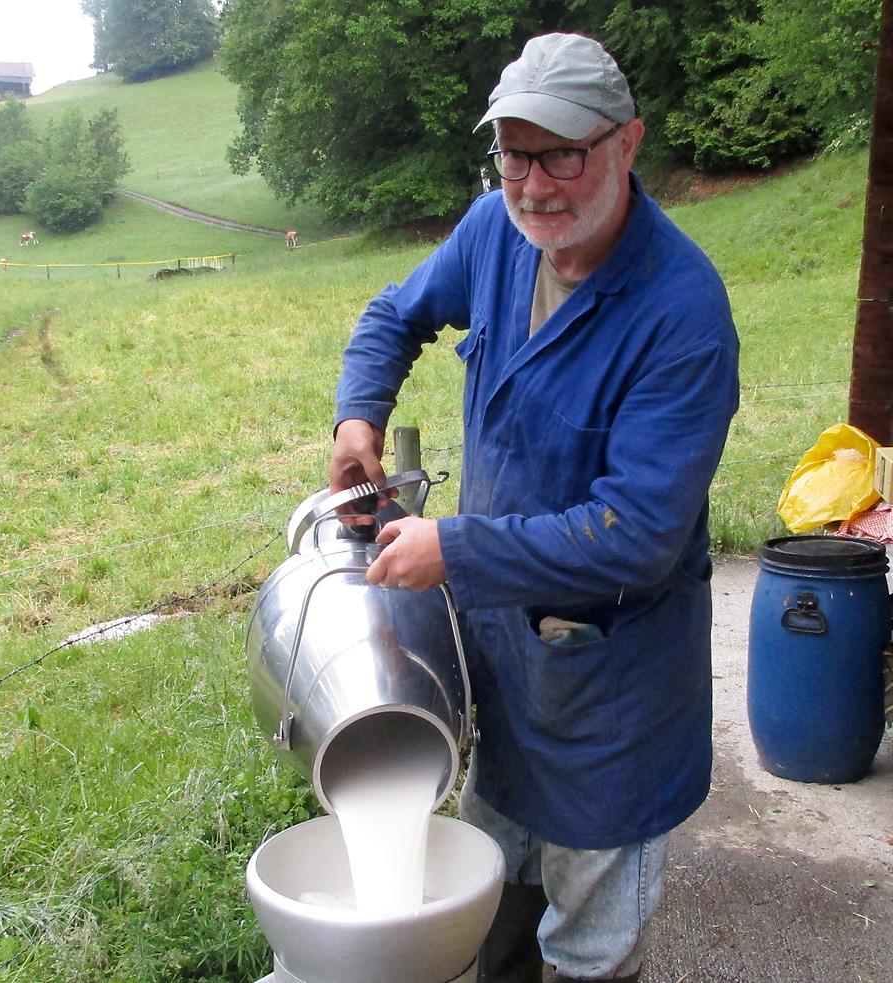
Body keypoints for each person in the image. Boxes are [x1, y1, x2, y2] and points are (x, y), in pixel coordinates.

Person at [329, 32, 740, 983]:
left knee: (590, 944)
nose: (535, 184)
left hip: (615, 698)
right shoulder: (495, 236)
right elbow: (396, 313)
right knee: (491, 891)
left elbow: (636, 535)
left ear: (628, 144)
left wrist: (455, 550)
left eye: (563, 152)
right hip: (503, 667)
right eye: (514, 154)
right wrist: (361, 415)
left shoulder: (681, 314)